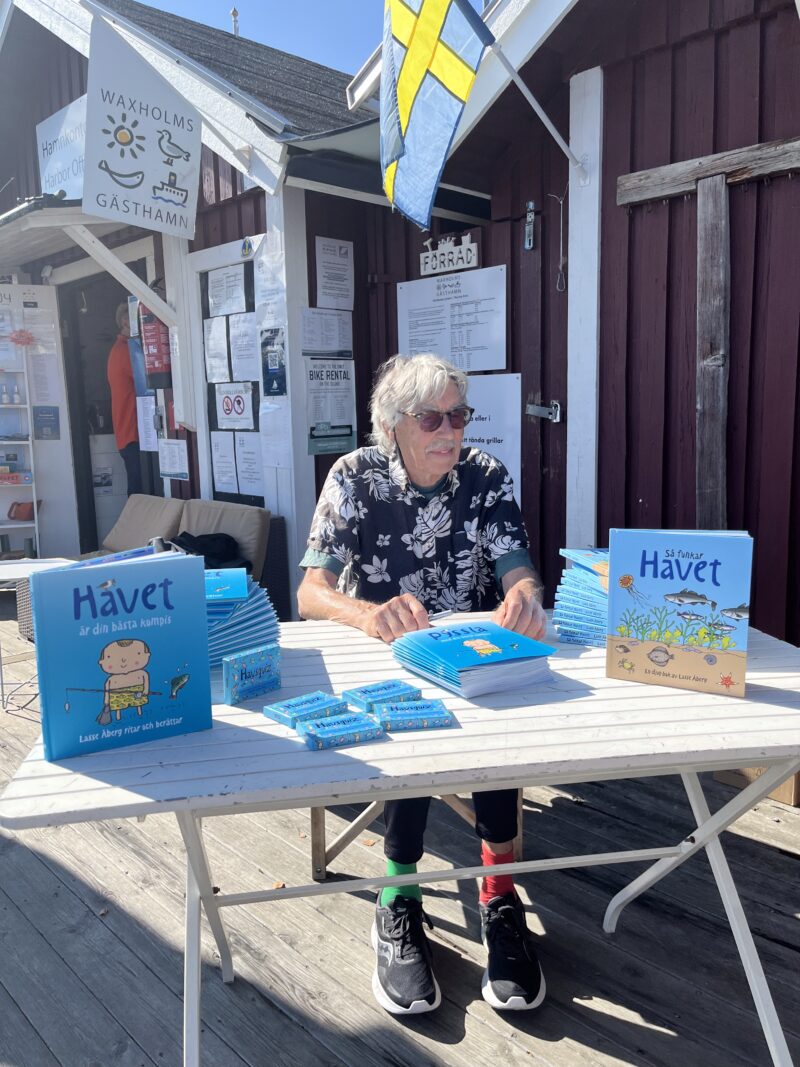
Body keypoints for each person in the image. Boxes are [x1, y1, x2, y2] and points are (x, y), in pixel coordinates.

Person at [298, 353, 548, 1016]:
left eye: (459, 414)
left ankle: (498, 894)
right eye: (432, 416)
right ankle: (398, 894)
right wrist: (369, 612)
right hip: (383, 665)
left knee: (496, 699)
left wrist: (525, 595)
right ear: (391, 425)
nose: (451, 430)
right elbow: (310, 592)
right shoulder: (352, 477)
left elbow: (520, 569)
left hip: (466, 658)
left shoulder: (484, 476)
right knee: (412, 719)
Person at [107, 301, 141, 496]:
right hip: (133, 432)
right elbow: (147, 382)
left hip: (128, 432)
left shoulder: (120, 349)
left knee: (138, 490)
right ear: (126, 321)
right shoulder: (126, 350)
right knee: (139, 494)